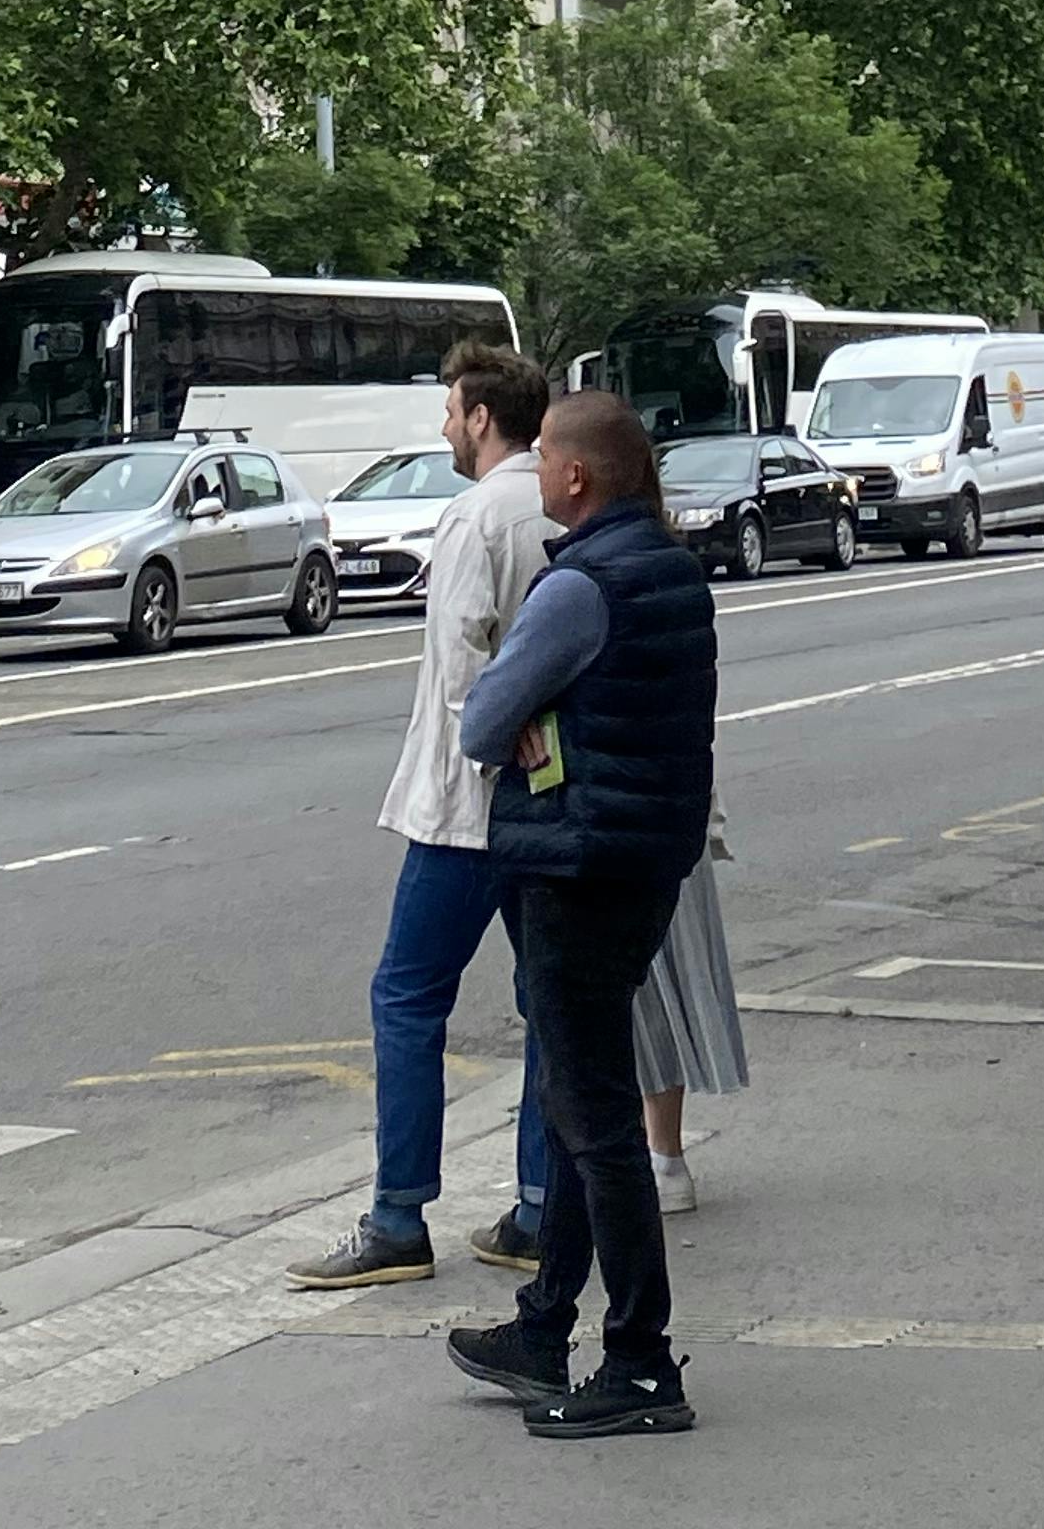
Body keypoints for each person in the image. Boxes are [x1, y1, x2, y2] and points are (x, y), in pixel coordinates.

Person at [447, 390, 715, 1442]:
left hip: (574, 864)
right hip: (642, 861)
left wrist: (533, 711)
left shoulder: (579, 585)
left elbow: (482, 722)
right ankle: (543, 1322)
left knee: (597, 1120)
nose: (539, 476)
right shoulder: (669, 567)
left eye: (548, 459)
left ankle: (640, 1361)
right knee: (576, 1093)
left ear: (575, 476)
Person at [287, 343, 554, 1294]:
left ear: (482, 417)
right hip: (549, 803)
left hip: (464, 809)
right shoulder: (556, 504)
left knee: (406, 1000)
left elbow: (460, 674)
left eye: (450, 412)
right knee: (546, 1003)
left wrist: (491, 746)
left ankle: (398, 1217)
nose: (444, 428)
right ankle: (539, 1208)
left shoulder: (475, 516)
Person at [634, 798, 746, 1210]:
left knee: (640, 994)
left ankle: (653, 1161)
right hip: (673, 812)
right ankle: (664, 1156)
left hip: (619, 823)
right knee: (667, 980)